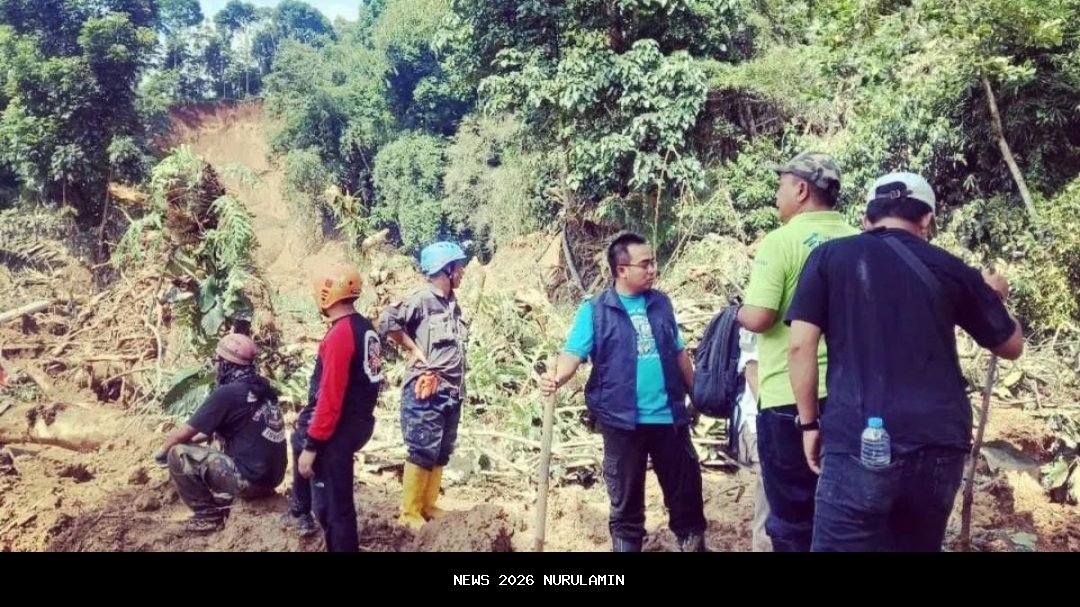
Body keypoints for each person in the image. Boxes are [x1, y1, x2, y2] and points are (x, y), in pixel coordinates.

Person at [786, 171, 1024, 551]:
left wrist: (810, 423)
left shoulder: (828, 258)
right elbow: (1011, 345)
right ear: (926, 218)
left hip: (857, 438)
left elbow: (799, 347)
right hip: (938, 443)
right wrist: (991, 296)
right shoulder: (951, 268)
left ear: (867, 218)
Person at [541, 232, 706, 552]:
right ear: (621, 270)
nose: (652, 269)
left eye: (653, 262)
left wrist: (697, 391)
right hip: (621, 421)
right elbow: (572, 354)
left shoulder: (661, 303)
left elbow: (678, 352)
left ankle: (692, 543)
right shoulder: (596, 311)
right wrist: (557, 378)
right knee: (626, 504)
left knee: (686, 494)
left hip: (668, 418)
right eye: (645, 264)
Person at [735, 151, 858, 552]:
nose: (776, 195)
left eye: (780, 185)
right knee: (846, 513)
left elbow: (761, 316)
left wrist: (734, 313)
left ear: (801, 190)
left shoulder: (782, 241)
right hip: (853, 397)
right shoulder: (860, 240)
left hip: (790, 398)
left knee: (791, 521)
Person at [155, 333, 286, 533]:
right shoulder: (262, 387)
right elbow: (207, 434)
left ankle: (207, 517)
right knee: (212, 444)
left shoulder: (227, 394)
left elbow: (183, 433)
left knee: (177, 453)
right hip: (272, 479)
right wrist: (193, 443)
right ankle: (225, 499)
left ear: (225, 364)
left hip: (251, 481)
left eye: (218, 361)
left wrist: (163, 452)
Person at [379, 241, 469, 530]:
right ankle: (410, 512)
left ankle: (428, 505)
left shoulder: (452, 303)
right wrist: (412, 349)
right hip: (426, 388)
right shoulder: (421, 298)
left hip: (451, 391)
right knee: (421, 449)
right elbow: (387, 320)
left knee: (441, 450)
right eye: (458, 267)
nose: (462, 272)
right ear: (446, 269)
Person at [295, 264, 383, 551]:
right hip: (359, 422)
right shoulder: (365, 327)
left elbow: (330, 397)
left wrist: (312, 445)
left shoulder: (340, 334)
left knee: (334, 508)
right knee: (339, 503)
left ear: (325, 294)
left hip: (337, 429)